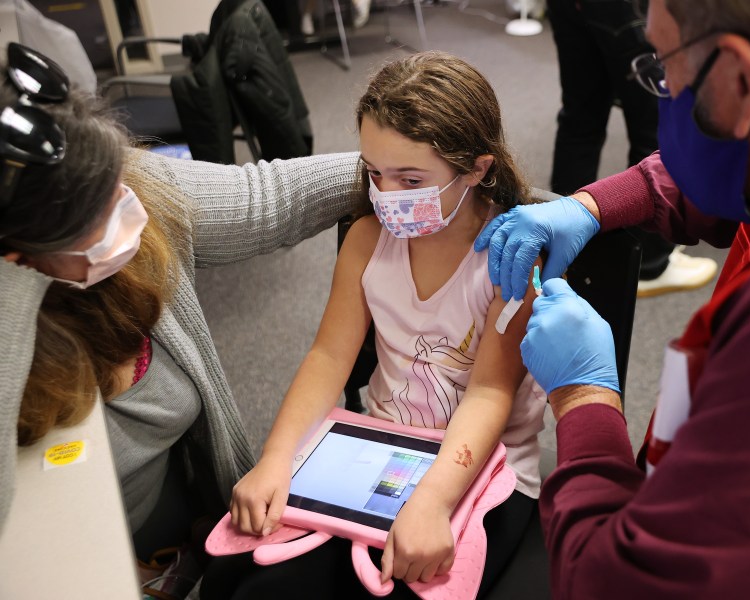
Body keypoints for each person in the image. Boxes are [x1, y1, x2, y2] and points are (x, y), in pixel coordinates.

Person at [476, 0, 750, 597]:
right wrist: (590, 204)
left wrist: (583, 398)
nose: (661, 90)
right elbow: (727, 176)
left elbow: (614, 583)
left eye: (665, 71)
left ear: (744, 82)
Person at [0, 43, 361, 595]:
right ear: (20, 256)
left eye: (117, 185)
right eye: (92, 222)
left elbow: (265, 200)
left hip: (189, 519)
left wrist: (404, 172)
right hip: (81, 560)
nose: (127, 213)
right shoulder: (14, 302)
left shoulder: (106, 178)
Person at [208, 51, 547, 599]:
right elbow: (327, 357)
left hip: (484, 468)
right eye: (374, 173)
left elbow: (488, 393)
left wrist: (434, 501)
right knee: (240, 582)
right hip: (379, 449)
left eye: (410, 178)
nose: (386, 195)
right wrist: (275, 459)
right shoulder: (368, 241)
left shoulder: (509, 260)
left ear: (478, 169)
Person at [547, 0, 717, 297]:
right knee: (653, 129)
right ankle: (649, 263)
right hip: (626, 9)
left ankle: (562, 240)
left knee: (581, 116)